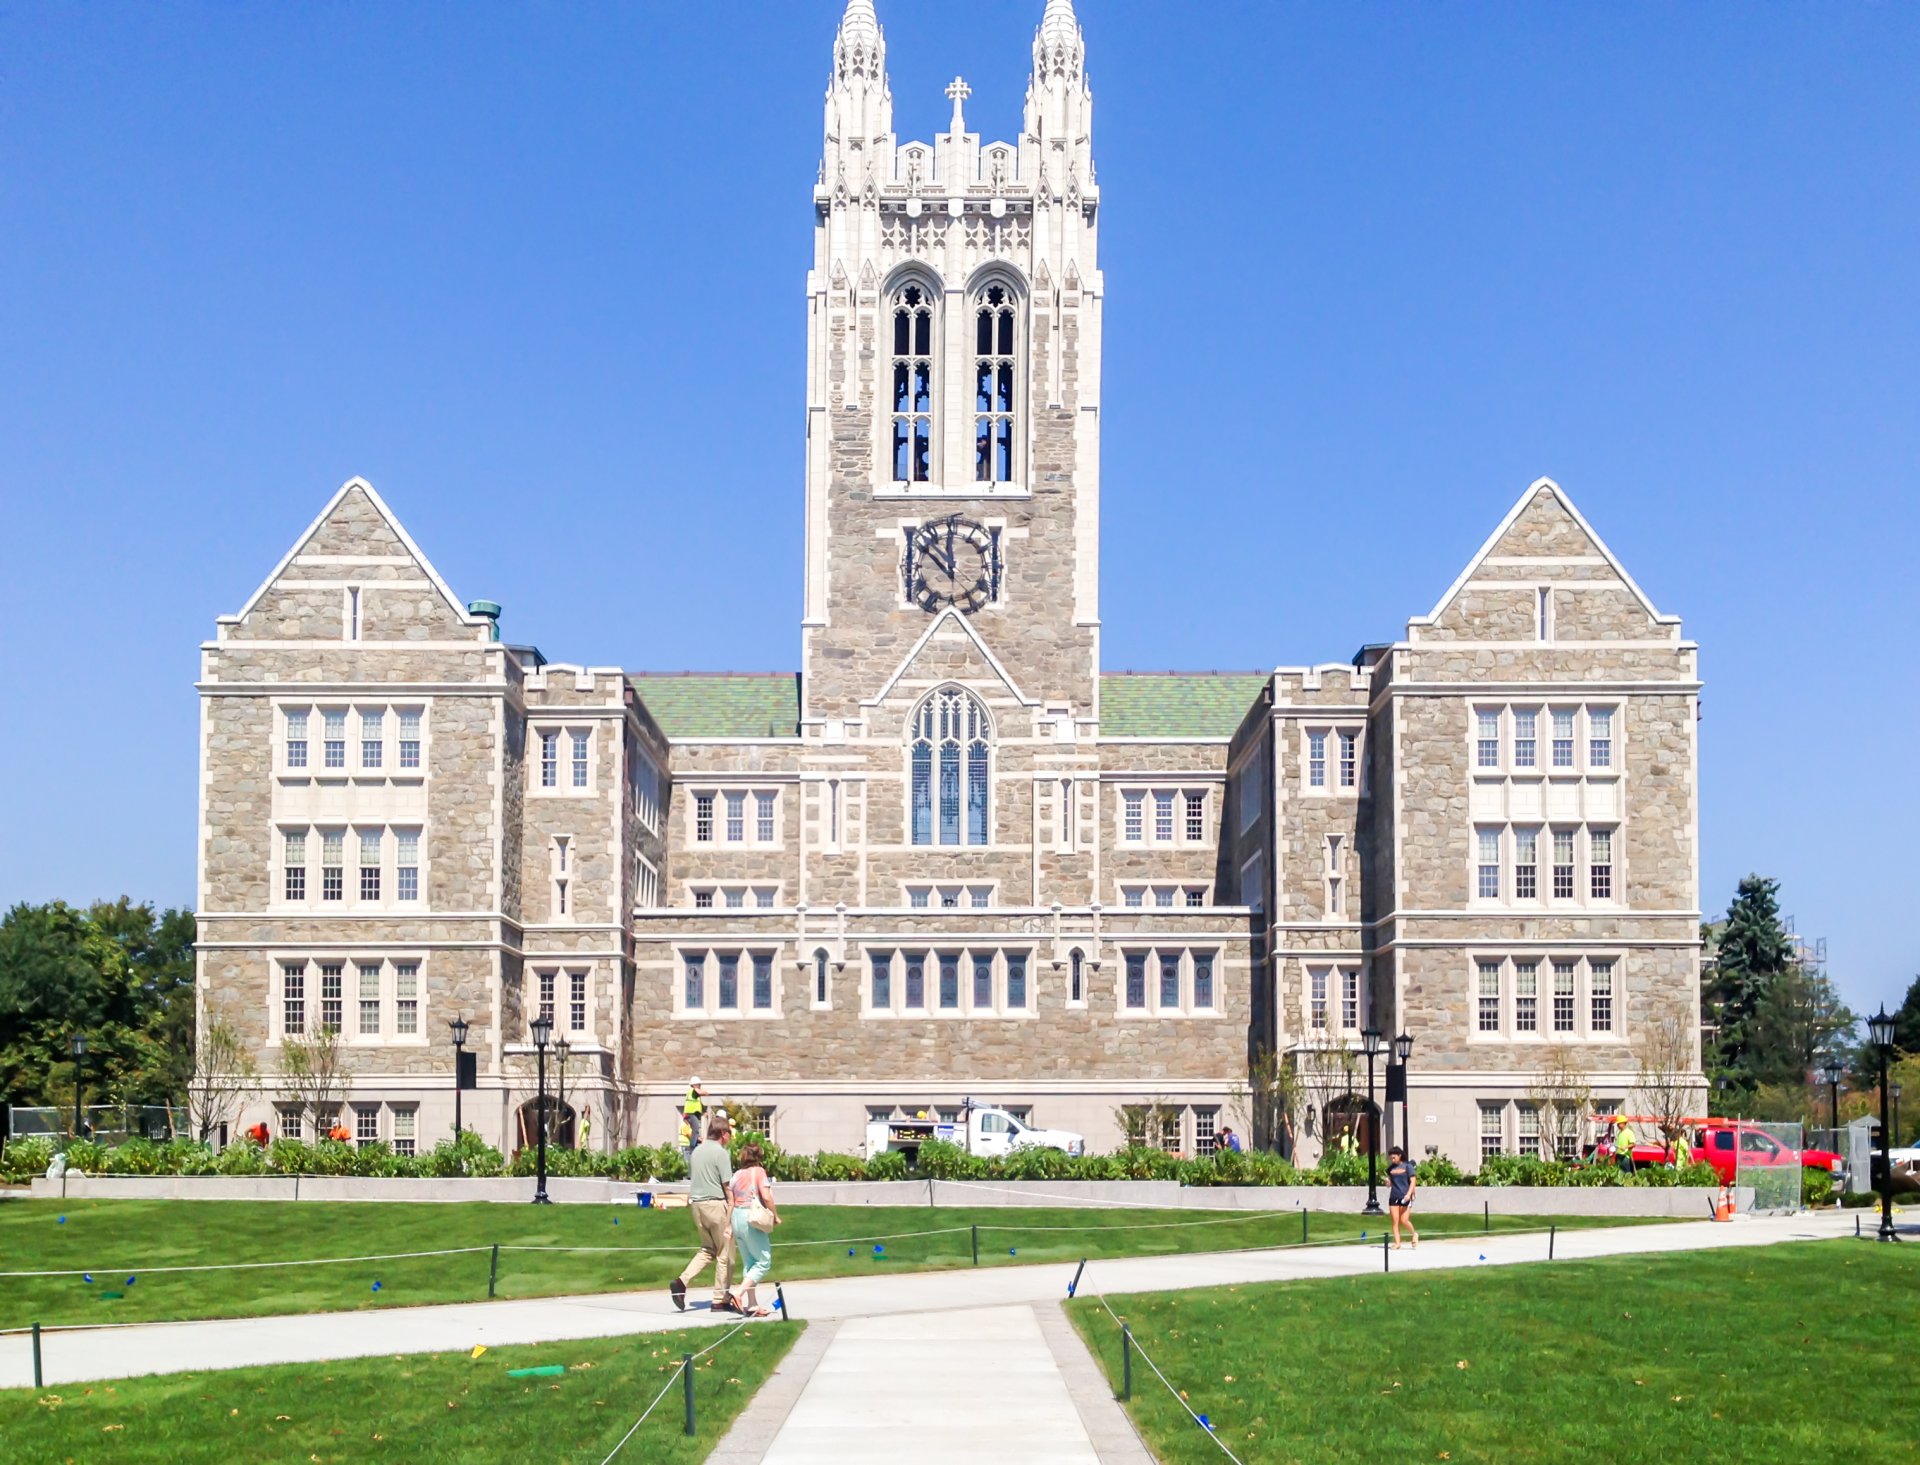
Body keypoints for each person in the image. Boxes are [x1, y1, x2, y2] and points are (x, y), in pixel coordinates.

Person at [671, 1113, 734, 1314]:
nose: (730, 1137)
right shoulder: (721, 1153)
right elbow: (727, 1185)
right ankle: (720, 1299)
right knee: (725, 1254)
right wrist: (733, 1205)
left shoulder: (697, 1151)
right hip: (716, 1205)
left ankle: (681, 1282)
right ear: (723, 1133)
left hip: (697, 1205)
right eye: (729, 1133)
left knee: (708, 1249)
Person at [728, 1140, 782, 1317]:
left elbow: (731, 1199)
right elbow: (766, 1196)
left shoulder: (736, 1175)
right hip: (750, 1217)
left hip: (736, 1217)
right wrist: (775, 1215)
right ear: (758, 1157)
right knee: (764, 1260)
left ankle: (752, 1304)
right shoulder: (758, 1172)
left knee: (750, 1262)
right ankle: (739, 1293)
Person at [1386, 1145, 1418, 1249]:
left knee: (1403, 1220)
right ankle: (1397, 1243)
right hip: (1394, 1195)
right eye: (1391, 1158)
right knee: (1395, 1221)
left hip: (1405, 1195)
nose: (1392, 1159)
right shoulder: (1391, 1168)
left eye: (1394, 1157)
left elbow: (1413, 1181)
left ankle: (1414, 1234)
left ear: (1399, 1156)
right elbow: (1390, 1182)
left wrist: (1409, 1194)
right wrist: (1388, 1183)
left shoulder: (1407, 1166)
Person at [682, 1077, 706, 1159]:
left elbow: (699, 1104)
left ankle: (694, 1144)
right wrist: (706, 1092)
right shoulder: (694, 1090)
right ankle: (692, 1147)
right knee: (696, 1130)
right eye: (699, 1085)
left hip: (691, 1113)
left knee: (695, 1130)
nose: (700, 1086)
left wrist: (704, 1111)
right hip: (691, 1113)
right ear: (695, 1085)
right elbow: (700, 1092)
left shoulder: (693, 1094)